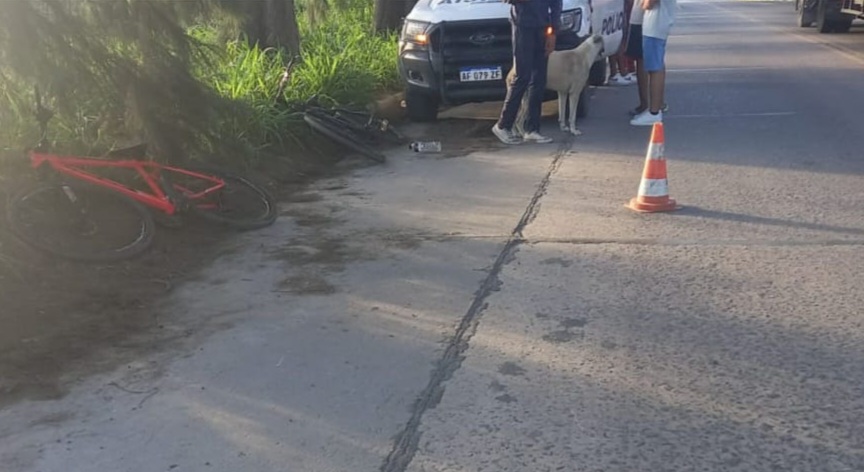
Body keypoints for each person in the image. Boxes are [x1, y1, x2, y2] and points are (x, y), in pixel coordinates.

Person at [492, 0, 562, 145]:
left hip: (542, 27)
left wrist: (553, 32)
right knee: (522, 76)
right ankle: (503, 125)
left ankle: (532, 129)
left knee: (539, 80)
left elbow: (556, 3)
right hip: (522, 26)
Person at [630, 0, 676, 126]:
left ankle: (654, 113)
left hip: (655, 22)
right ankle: (653, 109)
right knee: (654, 65)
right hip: (655, 22)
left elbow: (650, 3)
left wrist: (646, 4)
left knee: (655, 67)